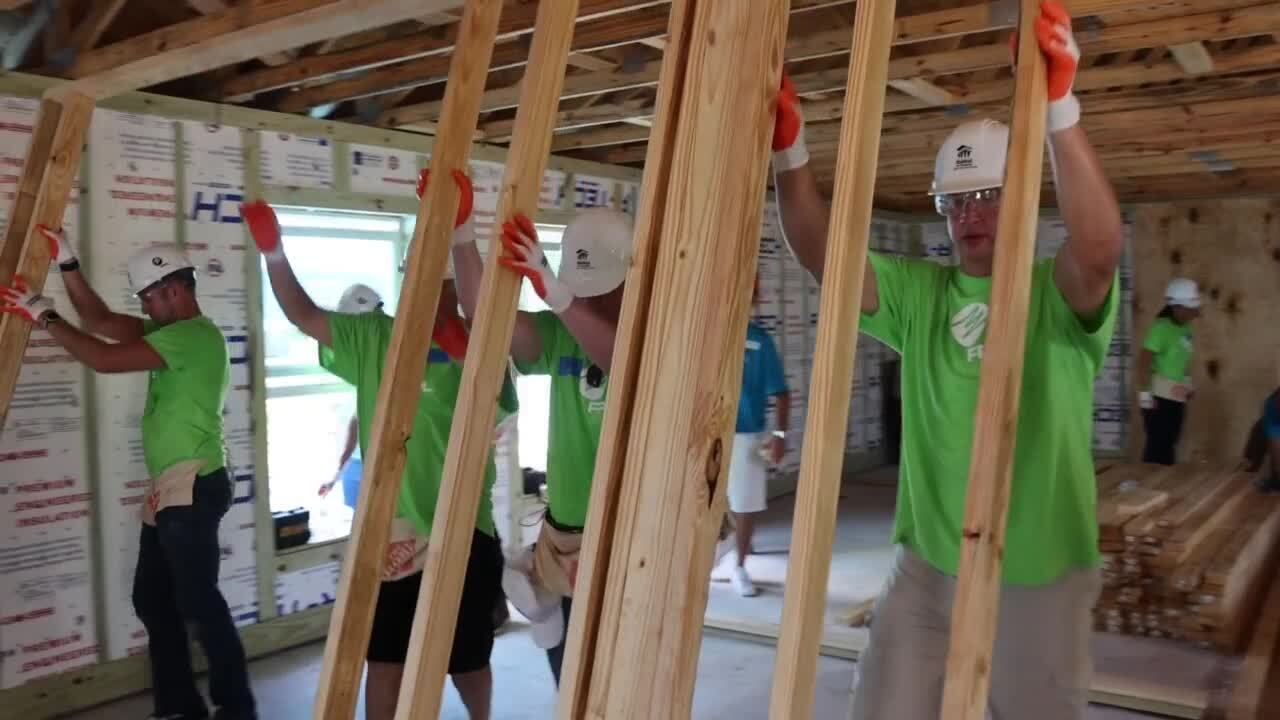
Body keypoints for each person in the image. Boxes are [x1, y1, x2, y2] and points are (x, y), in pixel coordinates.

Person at [770, 2, 1123, 718]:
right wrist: (790, 152)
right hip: (927, 571)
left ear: (1024, 196)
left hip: (1036, 578)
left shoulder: (1052, 293)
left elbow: (1099, 250)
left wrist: (1059, 111)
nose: (971, 216)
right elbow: (821, 253)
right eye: (955, 203)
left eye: (988, 196)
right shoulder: (919, 297)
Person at [241, 183, 514, 720]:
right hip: (395, 533)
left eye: (435, 283)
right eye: (412, 280)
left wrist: (472, 361)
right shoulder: (373, 337)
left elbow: (499, 413)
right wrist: (274, 254)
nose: (422, 293)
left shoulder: (479, 345)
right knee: (384, 656)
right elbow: (303, 316)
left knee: (466, 658)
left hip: (465, 529)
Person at [1, 227, 256, 720]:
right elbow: (97, 320)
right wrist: (68, 263)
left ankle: (236, 708)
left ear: (175, 291)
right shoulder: (170, 332)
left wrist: (43, 314)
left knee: (198, 603)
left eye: (148, 299)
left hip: (195, 485)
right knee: (153, 600)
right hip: (172, 487)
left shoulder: (194, 338)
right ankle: (180, 705)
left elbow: (101, 357)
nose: (143, 309)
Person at [446, 171, 632, 686]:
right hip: (568, 538)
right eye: (582, 290)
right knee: (571, 678)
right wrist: (462, 234)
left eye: (602, 291)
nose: (588, 299)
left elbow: (624, 360)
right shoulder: (563, 331)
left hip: (631, 541)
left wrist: (559, 295)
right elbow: (486, 316)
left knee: (620, 680)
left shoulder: (656, 332)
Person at [724, 278, 790, 597]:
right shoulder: (706, 336)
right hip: (705, 436)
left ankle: (739, 565)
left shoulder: (760, 342)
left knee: (745, 505)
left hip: (746, 435)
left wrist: (778, 435)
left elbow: (781, 394)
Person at [318, 283, 383, 507]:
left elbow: (358, 423)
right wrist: (336, 475)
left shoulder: (379, 358)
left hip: (376, 465)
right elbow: (357, 421)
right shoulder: (370, 358)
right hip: (359, 463)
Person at [1136, 278, 1200, 465]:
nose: (1195, 312)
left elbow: (1183, 360)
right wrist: (1145, 397)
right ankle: (1148, 488)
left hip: (1176, 394)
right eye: (1190, 308)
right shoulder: (1160, 329)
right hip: (1157, 396)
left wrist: (1187, 384)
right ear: (1176, 307)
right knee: (1157, 446)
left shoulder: (1186, 327)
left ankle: (1164, 486)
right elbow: (1143, 363)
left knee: (1170, 443)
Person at [1242, 387, 1280, 493]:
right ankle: (1275, 478)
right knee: (1260, 430)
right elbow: (1275, 441)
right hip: (1272, 418)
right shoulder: (1272, 405)